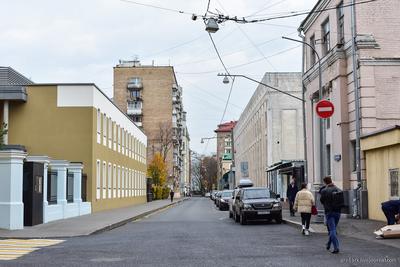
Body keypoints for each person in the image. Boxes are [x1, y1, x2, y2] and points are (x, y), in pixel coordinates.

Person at [320, 176, 343, 254]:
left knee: (332, 230)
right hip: (338, 212)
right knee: (333, 228)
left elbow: (322, 201)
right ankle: (329, 244)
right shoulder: (338, 189)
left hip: (329, 212)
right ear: (331, 180)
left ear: (325, 182)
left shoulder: (324, 191)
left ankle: (336, 248)